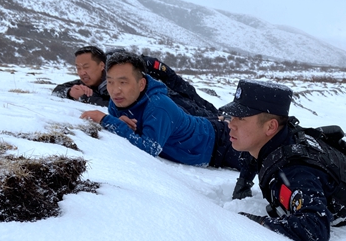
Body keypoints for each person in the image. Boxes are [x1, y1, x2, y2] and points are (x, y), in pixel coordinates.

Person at [220, 79, 346, 241]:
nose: (231, 124)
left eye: (241, 118)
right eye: (233, 116)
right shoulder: (281, 138)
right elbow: (254, 155)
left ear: (270, 127)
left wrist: (250, 222)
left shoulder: (294, 172)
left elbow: (315, 229)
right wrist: (243, 183)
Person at [80, 50, 253, 198]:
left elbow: (149, 148)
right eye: (110, 82)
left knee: (264, 157)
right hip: (206, 137)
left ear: (141, 84)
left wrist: (105, 119)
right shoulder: (118, 101)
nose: (115, 90)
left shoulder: (158, 105)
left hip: (218, 143)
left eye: (123, 82)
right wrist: (118, 121)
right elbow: (130, 126)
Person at [53, 45, 219, 118]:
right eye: (78, 68)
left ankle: (220, 116)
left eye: (86, 67)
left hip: (168, 94)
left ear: (101, 66)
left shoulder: (129, 68)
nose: (82, 72)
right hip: (165, 104)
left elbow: (169, 77)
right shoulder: (90, 82)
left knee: (198, 109)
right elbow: (59, 89)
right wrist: (70, 93)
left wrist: (87, 97)